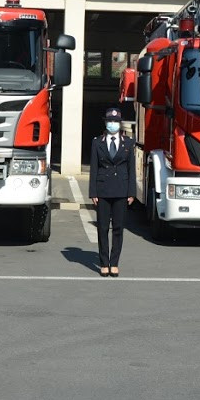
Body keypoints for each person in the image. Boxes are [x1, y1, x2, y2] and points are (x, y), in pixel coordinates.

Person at [89, 106, 136, 277]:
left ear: (120, 123)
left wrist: (132, 192)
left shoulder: (128, 143)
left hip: (121, 190)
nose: (112, 124)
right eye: (110, 121)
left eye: (115, 121)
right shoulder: (97, 142)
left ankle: (114, 263)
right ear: (106, 123)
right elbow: (94, 168)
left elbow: (131, 169)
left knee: (118, 228)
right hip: (103, 189)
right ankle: (104, 262)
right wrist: (93, 192)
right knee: (102, 228)